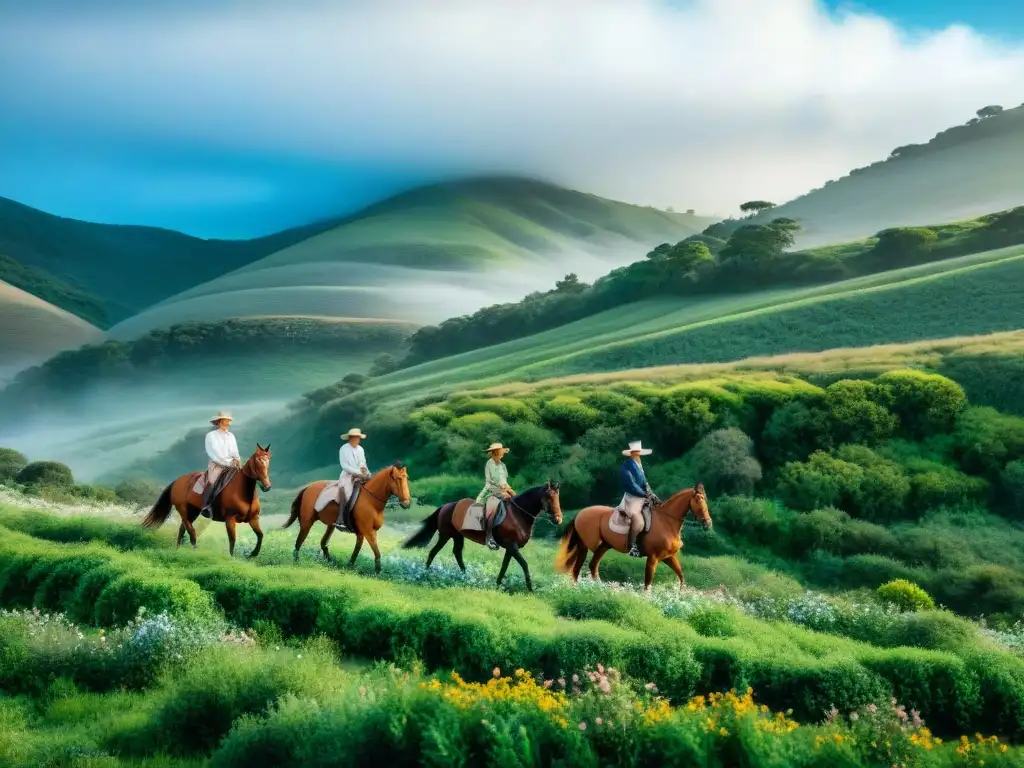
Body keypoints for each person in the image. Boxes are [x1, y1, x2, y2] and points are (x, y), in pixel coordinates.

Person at [201, 411, 241, 518]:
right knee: (216, 481)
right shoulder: (211, 436)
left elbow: (234, 450)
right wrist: (227, 462)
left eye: (228, 421)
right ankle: (208, 506)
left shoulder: (231, 436)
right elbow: (214, 452)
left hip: (232, 465)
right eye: (225, 421)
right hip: (217, 465)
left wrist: (237, 459)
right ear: (218, 422)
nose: (227, 423)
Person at [476, 442, 515, 550]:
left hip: (503, 489)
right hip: (491, 489)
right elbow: (492, 480)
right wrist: (504, 489)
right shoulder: (490, 463)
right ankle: (489, 537)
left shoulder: (503, 465)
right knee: (492, 507)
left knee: (515, 501)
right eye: (499, 452)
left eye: (501, 451)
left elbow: (504, 481)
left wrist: (510, 490)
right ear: (495, 453)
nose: (501, 453)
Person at [619, 440, 654, 558]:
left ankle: (645, 544)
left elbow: (645, 482)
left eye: (639, 454)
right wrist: (644, 494)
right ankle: (631, 546)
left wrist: (652, 494)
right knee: (639, 522)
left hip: (642, 496)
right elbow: (632, 484)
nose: (638, 456)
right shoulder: (626, 466)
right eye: (636, 453)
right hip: (631, 497)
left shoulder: (640, 466)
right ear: (632, 453)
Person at [337, 428, 370, 528]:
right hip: (347, 475)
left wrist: (365, 471)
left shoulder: (360, 449)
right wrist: (357, 473)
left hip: (360, 474)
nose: (356, 440)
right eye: (354, 438)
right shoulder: (344, 449)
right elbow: (344, 466)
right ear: (350, 438)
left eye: (358, 438)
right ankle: (341, 518)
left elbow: (362, 463)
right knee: (346, 491)